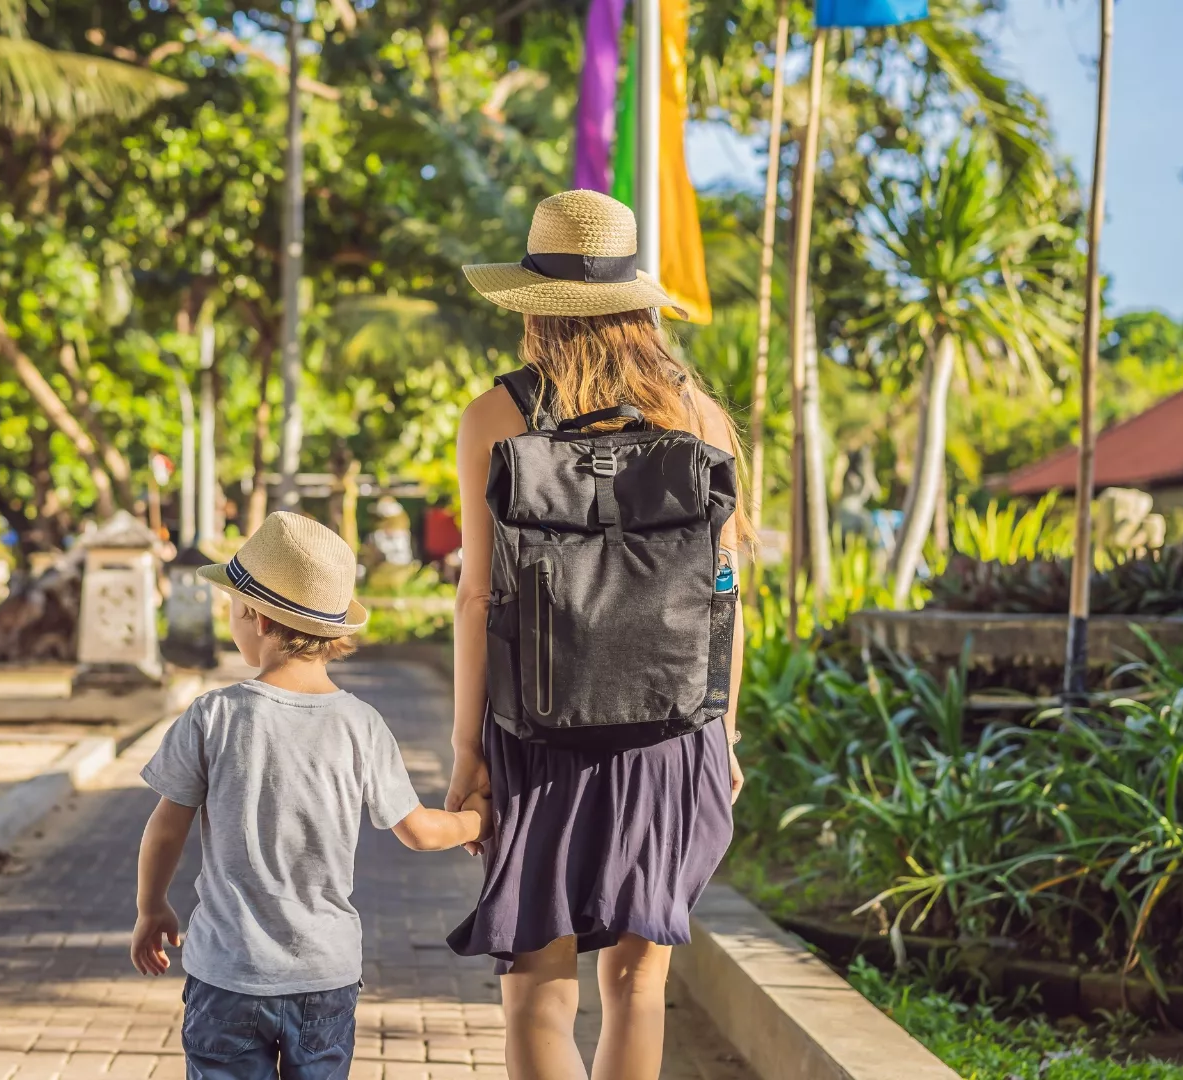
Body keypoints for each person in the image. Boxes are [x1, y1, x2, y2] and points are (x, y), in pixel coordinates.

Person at [443, 190, 752, 1080]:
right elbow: (726, 588)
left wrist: (470, 754)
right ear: (638, 305)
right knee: (637, 985)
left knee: (538, 990)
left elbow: (476, 598)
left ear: (534, 306)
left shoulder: (494, 417)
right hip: (672, 728)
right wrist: (720, 727)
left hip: (537, 730)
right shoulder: (699, 418)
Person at [131, 510, 491, 1080]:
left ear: (256, 616)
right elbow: (420, 831)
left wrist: (152, 907)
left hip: (226, 974)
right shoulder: (361, 724)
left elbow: (166, 827)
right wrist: (475, 823)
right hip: (324, 977)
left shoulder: (214, 715)